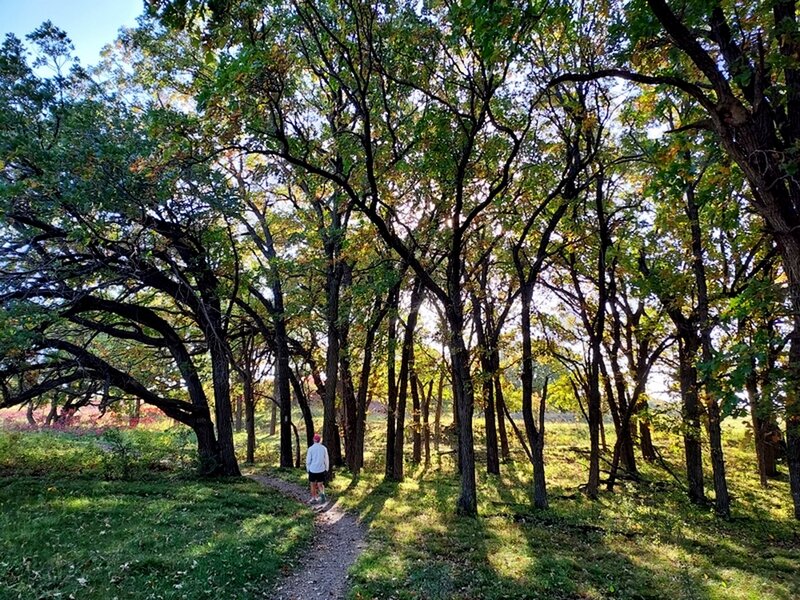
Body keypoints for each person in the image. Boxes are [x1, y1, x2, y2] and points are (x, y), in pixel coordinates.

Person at [306, 433, 329, 504]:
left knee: (312, 484)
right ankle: (323, 495)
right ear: (320, 440)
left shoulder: (310, 449)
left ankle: (314, 498)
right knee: (320, 484)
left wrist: (308, 469)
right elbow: (326, 459)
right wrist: (326, 468)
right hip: (321, 469)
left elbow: (308, 460)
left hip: (312, 469)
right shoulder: (324, 448)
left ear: (314, 440)